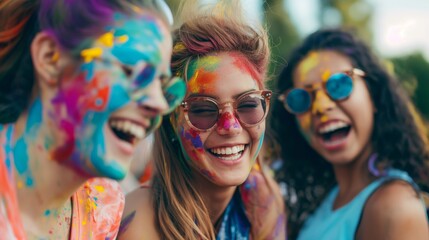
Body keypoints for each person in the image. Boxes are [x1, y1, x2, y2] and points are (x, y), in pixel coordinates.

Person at [0, 0, 185, 238]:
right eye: (133, 71)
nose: (159, 103)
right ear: (50, 58)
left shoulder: (103, 205)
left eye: (163, 86)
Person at [118, 0, 286, 239]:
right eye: (203, 110)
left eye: (248, 104)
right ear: (171, 121)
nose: (230, 126)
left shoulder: (263, 202)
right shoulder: (141, 221)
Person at [270, 28, 429, 240]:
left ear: (373, 94)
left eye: (339, 85)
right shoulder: (327, 199)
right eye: (301, 98)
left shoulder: (394, 207)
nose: (321, 107)